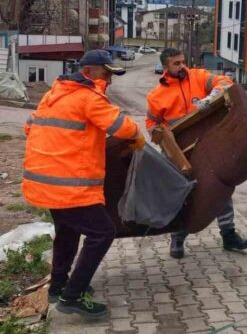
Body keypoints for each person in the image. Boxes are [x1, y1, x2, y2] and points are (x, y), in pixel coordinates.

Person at [22, 49, 146, 320]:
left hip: (46, 183)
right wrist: (137, 134)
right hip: (69, 186)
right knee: (103, 233)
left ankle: (58, 287)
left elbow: (29, 127)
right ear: (88, 72)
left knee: (67, 234)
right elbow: (121, 127)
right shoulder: (88, 98)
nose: (109, 80)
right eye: (106, 74)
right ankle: (73, 296)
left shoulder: (53, 95)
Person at [146, 48, 247, 259]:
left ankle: (229, 235)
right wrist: (158, 134)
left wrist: (212, 96)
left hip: (208, 145)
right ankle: (177, 240)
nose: (182, 66)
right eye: (176, 63)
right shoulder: (156, 96)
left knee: (220, 187)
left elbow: (225, 82)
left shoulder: (198, 77)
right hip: (179, 152)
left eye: (183, 61)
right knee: (183, 195)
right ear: (165, 67)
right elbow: (151, 124)